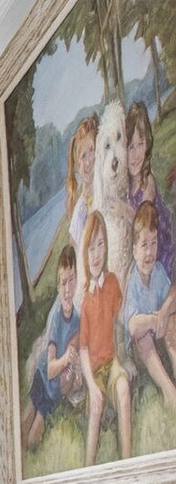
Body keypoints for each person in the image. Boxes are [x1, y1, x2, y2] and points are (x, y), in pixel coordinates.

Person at [78, 211, 133, 467]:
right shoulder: (86, 301)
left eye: (100, 245)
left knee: (123, 389)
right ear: (85, 254)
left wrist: (125, 358)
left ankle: (127, 462)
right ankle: (88, 469)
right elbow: (83, 349)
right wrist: (91, 385)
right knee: (96, 408)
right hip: (94, 371)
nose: (96, 254)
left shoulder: (112, 283)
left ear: (106, 247)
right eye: (91, 248)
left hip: (112, 364)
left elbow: (120, 320)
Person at [124, 198, 176, 442]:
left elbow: (172, 294)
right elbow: (132, 326)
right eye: (144, 244)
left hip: (160, 333)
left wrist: (164, 312)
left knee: (172, 320)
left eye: (153, 243)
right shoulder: (133, 282)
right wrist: (155, 320)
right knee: (142, 336)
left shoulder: (158, 273)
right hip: (140, 350)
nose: (149, 252)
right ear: (134, 250)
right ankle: (168, 390)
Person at [28, 242, 84, 447]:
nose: (67, 290)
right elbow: (51, 370)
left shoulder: (76, 318)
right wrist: (66, 359)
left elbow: (75, 349)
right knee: (28, 422)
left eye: (71, 281)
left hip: (55, 388)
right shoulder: (56, 317)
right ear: (58, 286)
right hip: (45, 378)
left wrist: (74, 365)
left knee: (35, 429)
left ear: (77, 281)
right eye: (63, 283)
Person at [124, 102, 175, 281]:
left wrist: (124, 211)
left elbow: (143, 223)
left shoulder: (148, 183)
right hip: (142, 252)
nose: (136, 154)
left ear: (148, 143)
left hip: (161, 250)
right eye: (131, 147)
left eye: (141, 143)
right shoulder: (126, 185)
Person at [67, 114, 100, 257]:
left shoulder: (106, 190)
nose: (88, 161)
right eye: (83, 156)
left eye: (92, 150)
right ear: (77, 167)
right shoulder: (80, 209)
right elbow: (77, 254)